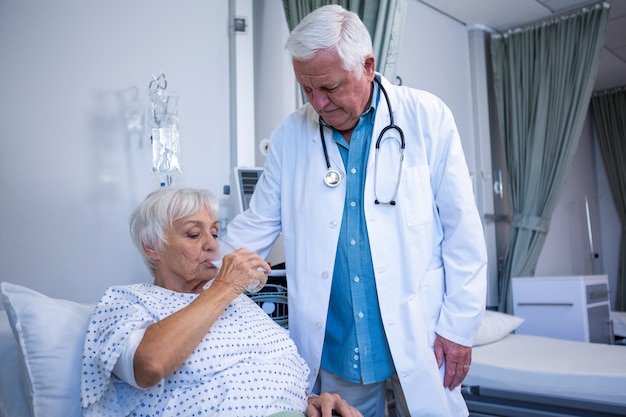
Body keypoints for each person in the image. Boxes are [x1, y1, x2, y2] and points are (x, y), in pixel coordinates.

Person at [223, 4, 488, 416]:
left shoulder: (426, 117)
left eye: (330, 87)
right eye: (307, 89)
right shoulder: (290, 136)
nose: (319, 103)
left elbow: (462, 232)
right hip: (338, 340)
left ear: (367, 66)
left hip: (423, 332)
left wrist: (460, 327)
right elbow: (254, 227)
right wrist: (194, 273)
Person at [80, 187, 362, 417]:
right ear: (152, 246)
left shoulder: (239, 302)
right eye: (193, 234)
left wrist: (310, 401)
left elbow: (263, 369)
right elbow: (149, 365)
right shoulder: (129, 300)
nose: (212, 244)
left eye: (215, 233)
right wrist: (224, 287)